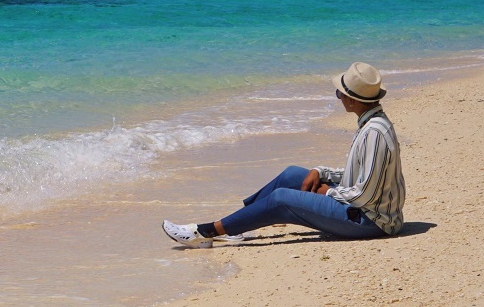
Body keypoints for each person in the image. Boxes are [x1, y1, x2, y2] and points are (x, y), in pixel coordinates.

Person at [162, 61, 405, 247]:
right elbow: (362, 175)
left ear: (352, 100)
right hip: (366, 210)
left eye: (340, 94)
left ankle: (205, 233)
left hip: (370, 221)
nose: (339, 97)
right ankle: (238, 224)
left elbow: (364, 195)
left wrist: (326, 191)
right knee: (291, 175)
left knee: (281, 198)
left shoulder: (374, 133)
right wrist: (320, 172)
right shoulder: (371, 123)